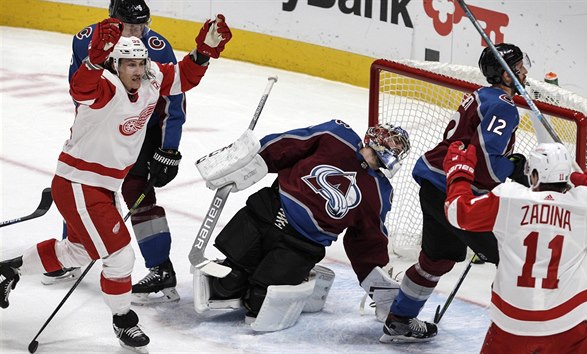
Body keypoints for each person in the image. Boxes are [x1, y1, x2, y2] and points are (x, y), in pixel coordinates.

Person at [0, 15, 231, 352]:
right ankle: (124, 321)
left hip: (104, 185)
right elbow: (81, 88)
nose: (137, 71)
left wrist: (203, 52)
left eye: (141, 63)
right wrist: (93, 60)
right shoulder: (104, 89)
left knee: (79, 251)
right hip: (79, 182)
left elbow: (181, 77)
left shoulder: (151, 78)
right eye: (129, 64)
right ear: (114, 65)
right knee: (120, 255)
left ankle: (8, 268)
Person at [380, 43, 531, 343]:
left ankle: (399, 320)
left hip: (436, 185)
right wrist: (514, 168)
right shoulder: (503, 104)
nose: (525, 71)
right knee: (514, 257)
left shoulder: (482, 95)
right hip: (457, 192)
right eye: (519, 67)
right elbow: (487, 162)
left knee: (438, 259)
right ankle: (516, 337)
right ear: (505, 73)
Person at [195, 119, 411, 328]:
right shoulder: (337, 136)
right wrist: (248, 161)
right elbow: (287, 145)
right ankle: (260, 277)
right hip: (266, 214)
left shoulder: (379, 192)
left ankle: (297, 281)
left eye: (396, 146)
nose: (391, 146)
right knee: (226, 285)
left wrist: (380, 289)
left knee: (260, 302)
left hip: (298, 246)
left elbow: (367, 242)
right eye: (391, 140)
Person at [43, 0, 187, 305]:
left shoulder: (158, 48)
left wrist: (169, 147)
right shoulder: (87, 40)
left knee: (137, 192)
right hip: (102, 127)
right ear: (112, 20)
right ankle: (73, 250)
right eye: (130, 26)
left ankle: (160, 267)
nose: (137, 32)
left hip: (142, 128)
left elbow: (175, 101)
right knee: (84, 183)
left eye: (142, 26)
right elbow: (80, 90)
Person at [442, 141, 587, 353]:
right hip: (567, 326)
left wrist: (459, 174)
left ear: (536, 175)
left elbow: (457, 212)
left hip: (511, 324)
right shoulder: (585, 205)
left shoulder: (509, 198)